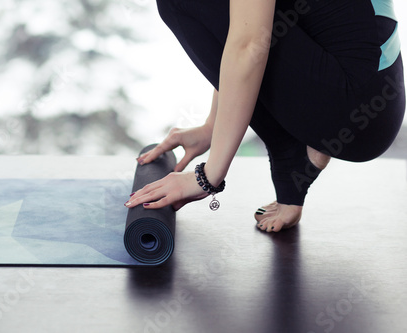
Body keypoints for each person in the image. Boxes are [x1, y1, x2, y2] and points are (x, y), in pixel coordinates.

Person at [125, 0, 405, 232]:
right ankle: (293, 158)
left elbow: (249, 46)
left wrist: (207, 177)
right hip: (372, 98)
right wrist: (212, 126)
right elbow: (245, 26)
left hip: (354, 102)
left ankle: (289, 146)